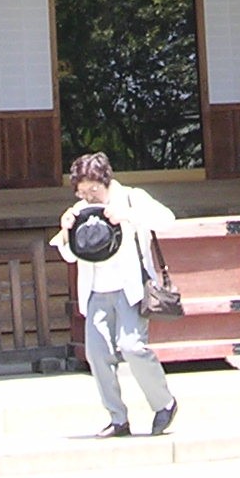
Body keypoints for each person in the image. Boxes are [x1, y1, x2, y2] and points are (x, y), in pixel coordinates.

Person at [53, 151, 179, 438]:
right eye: (82, 191)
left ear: (106, 181)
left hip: (130, 289)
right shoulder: (80, 211)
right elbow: (69, 255)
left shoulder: (132, 198)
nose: (88, 197)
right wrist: (65, 230)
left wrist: (128, 216)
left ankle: (164, 403)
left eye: (93, 190)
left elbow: (167, 219)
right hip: (95, 292)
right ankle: (117, 418)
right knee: (97, 356)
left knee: (132, 346)